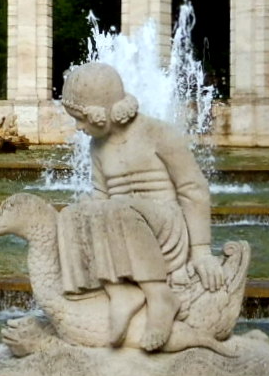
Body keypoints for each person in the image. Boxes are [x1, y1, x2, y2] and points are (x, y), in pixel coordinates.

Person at [55, 62, 215, 352]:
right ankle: (120, 293)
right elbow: (100, 196)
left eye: (80, 119)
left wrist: (201, 251)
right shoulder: (98, 147)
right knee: (72, 214)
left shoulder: (159, 133)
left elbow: (193, 189)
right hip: (123, 225)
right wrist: (87, 210)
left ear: (99, 114)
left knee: (118, 208)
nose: (78, 127)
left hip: (166, 230)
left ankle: (160, 296)